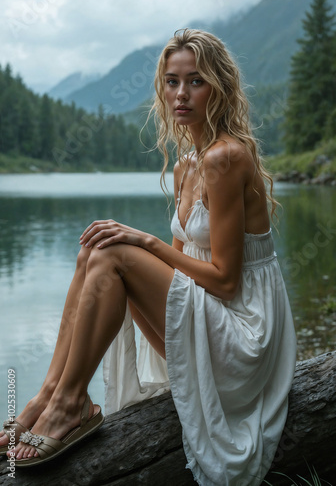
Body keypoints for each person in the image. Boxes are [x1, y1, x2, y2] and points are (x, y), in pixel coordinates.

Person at [0, 28, 296, 484]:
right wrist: (141, 248)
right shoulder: (187, 163)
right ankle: (48, 397)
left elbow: (224, 281)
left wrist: (146, 241)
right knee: (95, 251)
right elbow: (174, 275)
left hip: (242, 335)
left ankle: (70, 403)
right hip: (206, 322)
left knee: (117, 251)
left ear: (219, 86)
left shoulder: (226, 158)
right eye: (171, 81)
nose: (181, 94)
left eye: (195, 81)